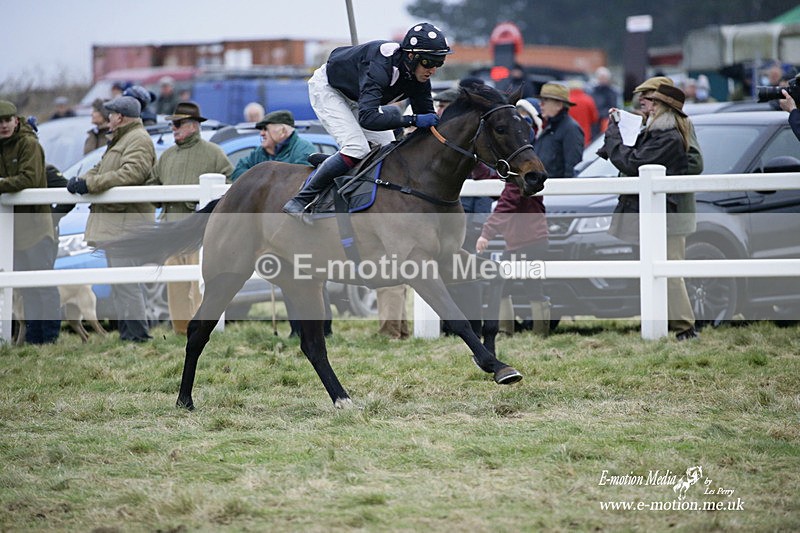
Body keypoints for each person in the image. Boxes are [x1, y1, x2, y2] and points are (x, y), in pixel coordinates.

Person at [282, 22, 451, 221]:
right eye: (429, 63)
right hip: (330, 90)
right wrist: (411, 119)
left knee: (389, 151)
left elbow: (429, 123)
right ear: (412, 56)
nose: (433, 70)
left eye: (438, 63)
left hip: (360, 99)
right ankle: (301, 200)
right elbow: (368, 118)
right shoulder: (380, 66)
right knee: (356, 148)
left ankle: (335, 165)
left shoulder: (419, 77)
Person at [599, 82, 701, 341]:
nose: (647, 104)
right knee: (659, 270)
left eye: (653, 101)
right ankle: (670, 324)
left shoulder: (669, 133)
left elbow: (634, 162)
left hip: (670, 212)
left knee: (670, 270)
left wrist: (613, 136)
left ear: (665, 106)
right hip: (661, 211)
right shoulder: (659, 129)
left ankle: (685, 327)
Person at [67, 96, 156, 342]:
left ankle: (138, 336)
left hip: (128, 223)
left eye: (112, 113)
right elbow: (101, 167)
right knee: (120, 283)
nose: (108, 118)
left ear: (120, 117)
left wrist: (90, 184)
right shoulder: (122, 139)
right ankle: (128, 335)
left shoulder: (138, 139)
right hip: (117, 223)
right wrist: (83, 180)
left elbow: (132, 173)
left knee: (127, 283)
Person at [148, 102, 233, 335]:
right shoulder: (166, 156)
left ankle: (201, 330)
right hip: (172, 231)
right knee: (175, 285)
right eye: (172, 124)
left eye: (177, 124)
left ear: (193, 126)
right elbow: (154, 187)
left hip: (199, 233)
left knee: (198, 285)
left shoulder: (213, 153)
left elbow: (230, 185)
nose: (173, 128)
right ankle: (180, 331)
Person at [0, 100, 61, 344]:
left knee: (43, 284)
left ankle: (50, 337)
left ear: (16, 121)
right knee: (26, 287)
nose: (3, 126)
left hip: (35, 226)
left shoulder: (29, 144)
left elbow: (29, 179)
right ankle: (35, 339)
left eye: (7, 120)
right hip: (12, 229)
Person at [230, 109, 315, 181]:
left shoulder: (303, 149)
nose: (261, 133)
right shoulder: (260, 152)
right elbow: (237, 173)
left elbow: (298, 181)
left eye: (265, 129)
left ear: (283, 131)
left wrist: (259, 179)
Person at [535, 83, 584, 178]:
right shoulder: (548, 126)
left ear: (559, 105)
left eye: (545, 101)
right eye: (541, 100)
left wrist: (564, 190)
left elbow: (572, 169)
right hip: (544, 188)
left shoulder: (571, 129)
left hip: (556, 189)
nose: (540, 104)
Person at [567, 80, 599, 146]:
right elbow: (595, 118)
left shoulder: (566, 101)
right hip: (585, 134)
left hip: (568, 135)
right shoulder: (588, 100)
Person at [590, 66, 620, 135]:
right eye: (601, 78)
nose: (602, 80)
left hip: (606, 122)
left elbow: (614, 108)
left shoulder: (613, 92)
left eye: (604, 78)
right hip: (594, 123)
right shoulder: (592, 92)